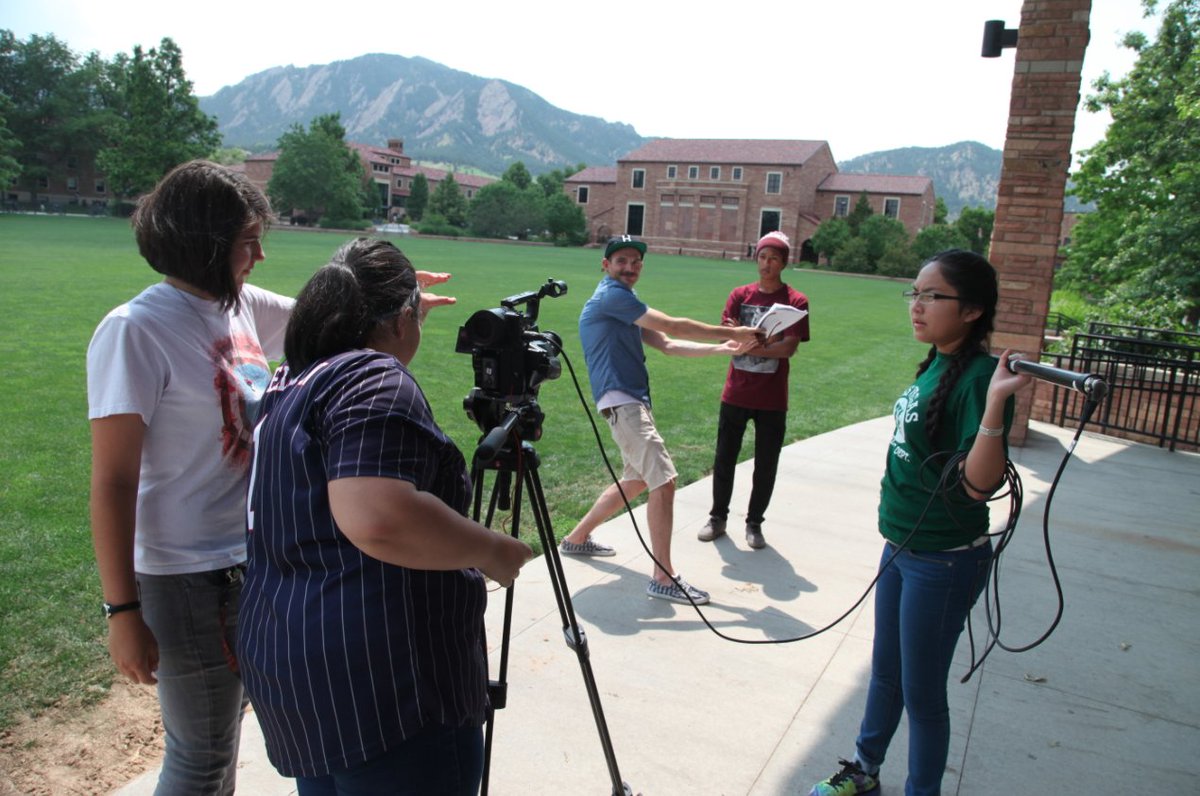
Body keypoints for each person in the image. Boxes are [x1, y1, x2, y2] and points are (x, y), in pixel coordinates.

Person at [238, 238, 533, 794]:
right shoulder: (369, 376)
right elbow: (379, 518)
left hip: (297, 663)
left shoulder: (291, 380)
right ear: (402, 319)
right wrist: (492, 549)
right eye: (414, 315)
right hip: (385, 686)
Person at [87, 160, 293, 793]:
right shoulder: (135, 331)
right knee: (200, 757)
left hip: (246, 561)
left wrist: (392, 298)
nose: (259, 254)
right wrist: (123, 610)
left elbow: (323, 315)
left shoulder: (239, 307)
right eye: (245, 241)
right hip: (183, 578)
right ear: (202, 246)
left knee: (220, 739)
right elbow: (114, 480)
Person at [808, 249, 1031, 796]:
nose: (917, 305)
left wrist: (997, 405)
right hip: (903, 547)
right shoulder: (937, 359)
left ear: (972, 310)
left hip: (945, 560)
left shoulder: (980, 377)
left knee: (923, 693)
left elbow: (979, 486)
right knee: (886, 675)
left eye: (932, 295)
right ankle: (864, 772)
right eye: (915, 292)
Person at [558, 234, 760, 605]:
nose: (630, 267)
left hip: (628, 401)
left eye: (636, 261)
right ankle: (663, 578)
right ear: (605, 266)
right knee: (663, 481)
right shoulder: (611, 297)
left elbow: (667, 342)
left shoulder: (625, 304)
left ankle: (576, 539)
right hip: (623, 401)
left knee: (634, 481)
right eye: (621, 260)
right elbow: (676, 325)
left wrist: (722, 348)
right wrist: (733, 331)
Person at [698, 230, 810, 550]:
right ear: (755, 258)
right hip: (736, 392)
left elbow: (788, 349)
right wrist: (762, 343)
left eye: (774, 258)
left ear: (784, 263)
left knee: (766, 463)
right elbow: (727, 339)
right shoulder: (740, 296)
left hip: (772, 398)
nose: (767, 263)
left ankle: (754, 524)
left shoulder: (795, 302)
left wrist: (748, 345)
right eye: (762, 256)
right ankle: (718, 517)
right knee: (724, 458)